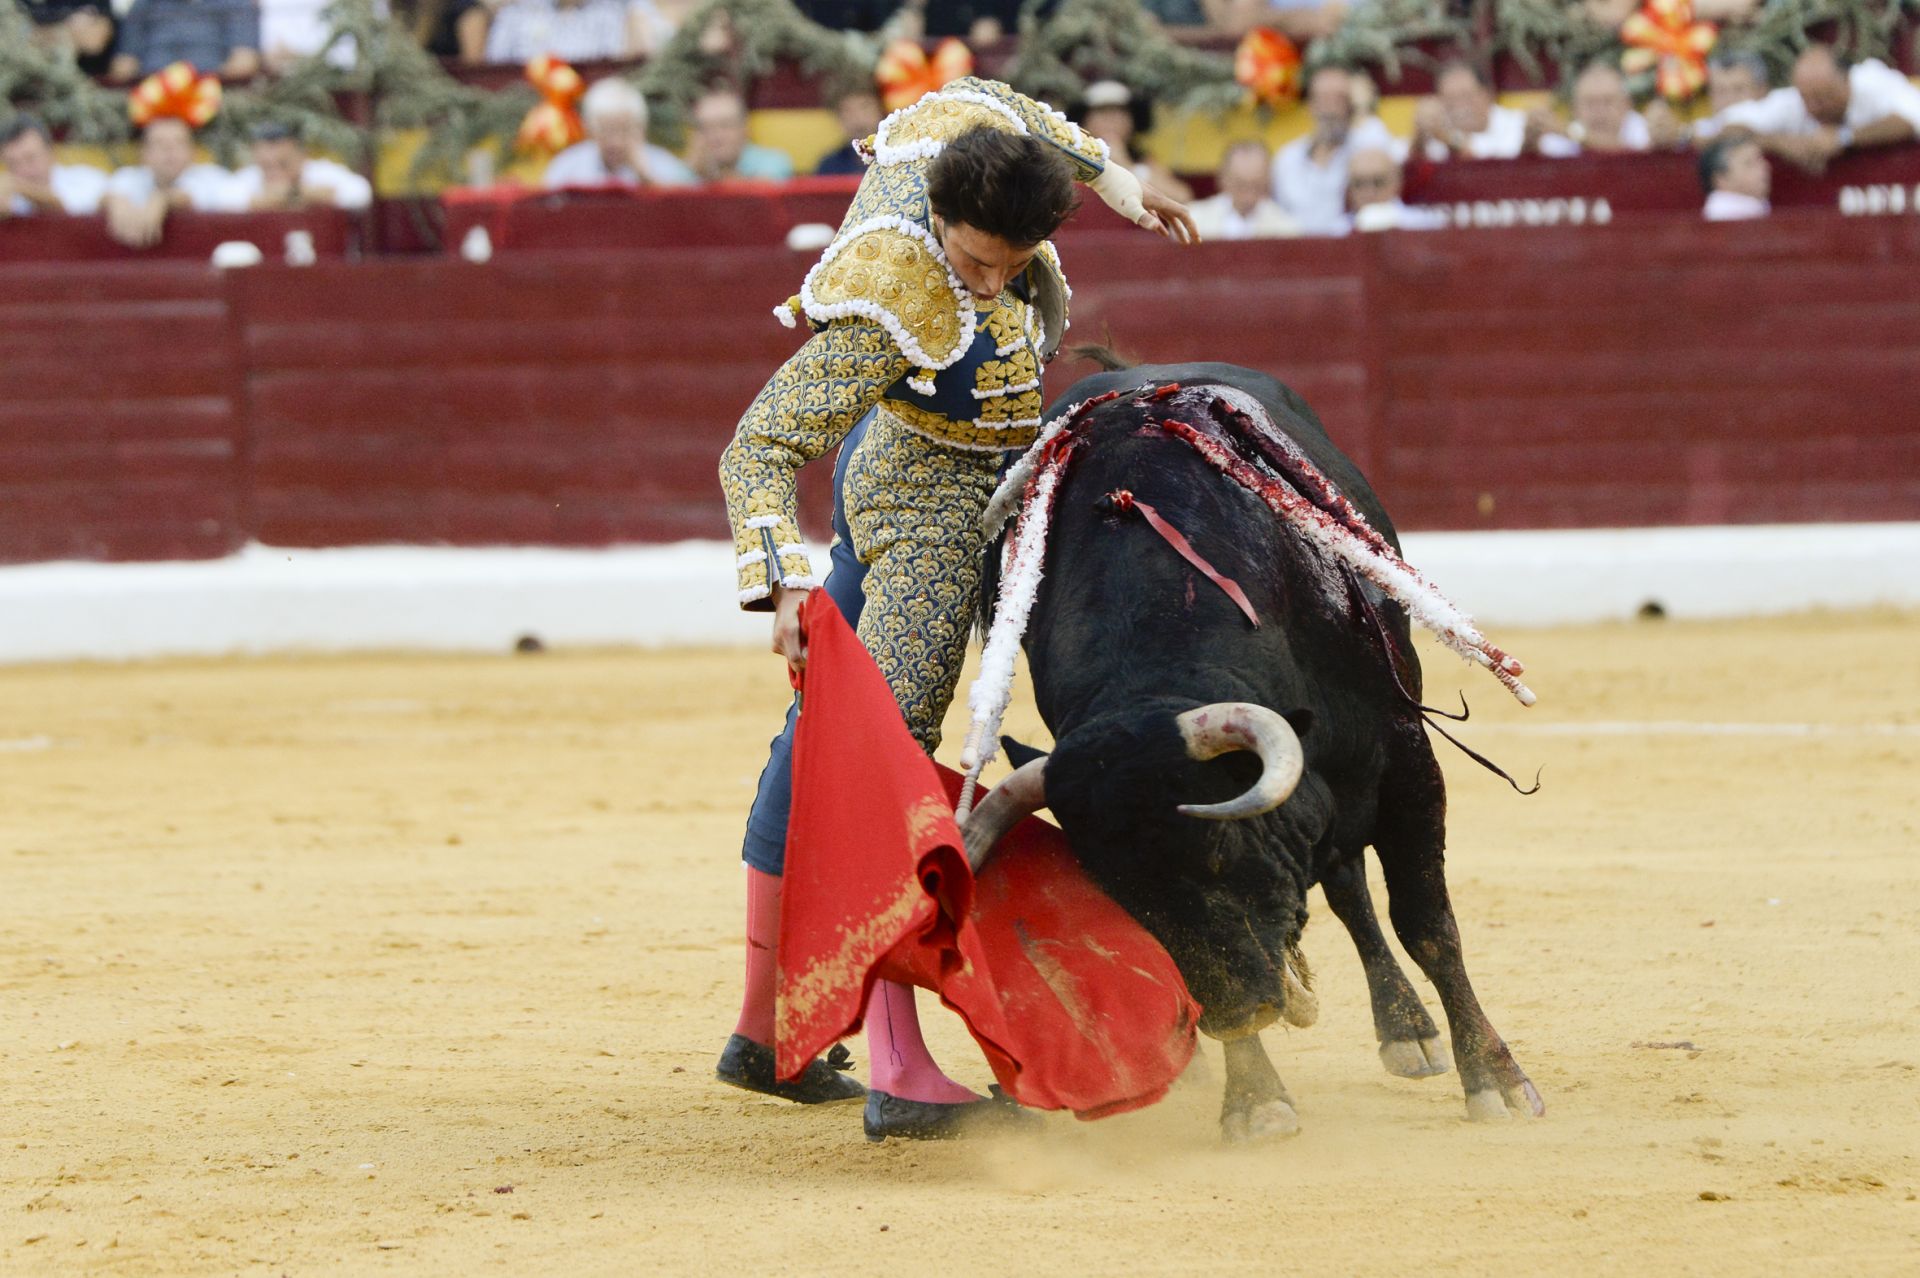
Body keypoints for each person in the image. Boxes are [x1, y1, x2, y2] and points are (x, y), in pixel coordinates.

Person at [715, 76, 1195, 1141]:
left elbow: (1000, 103)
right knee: (884, 759)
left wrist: (1118, 182)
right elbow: (757, 447)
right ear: (936, 215)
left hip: (991, 474)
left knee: (825, 734)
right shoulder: (896, 292)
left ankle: (763, 1029)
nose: (990, 283)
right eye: (975, 261)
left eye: (1013, 264)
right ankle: (899, 1070)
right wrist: (783, 582)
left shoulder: (960, 142)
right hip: (922, 502)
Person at [1716, 44, 1920, 174]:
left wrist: (1844, 138)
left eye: (1823, 98)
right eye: (1807, 99)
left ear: (1847, 83)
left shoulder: (1873, 81)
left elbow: (1914, 116)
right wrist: (1780, 142)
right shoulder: (1793, 101)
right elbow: (1724, 128)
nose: (1813, 107)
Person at [1271, 64, 1399, 235]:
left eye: (1339, 100)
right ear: (1310, 104)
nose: (1331, 110)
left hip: (1351, 245)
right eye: (1323, 99)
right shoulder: (1288, 158)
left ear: (1351, 105)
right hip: (1298, 247)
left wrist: (1362, 109)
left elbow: (1382, 158)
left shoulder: (1364, 145)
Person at [102, 116, 241, 248]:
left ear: (193, 151)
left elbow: (190, 196)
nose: (169, 150)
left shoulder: (213, 178)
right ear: (143, 153)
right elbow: (102, 195)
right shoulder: (128, 176)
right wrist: (114, 201)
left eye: (178, 143)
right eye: (159, 143)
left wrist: (162, 199)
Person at [542, 77, 697, 188]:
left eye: (625, 131)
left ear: (641, 129)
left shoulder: (665, 166)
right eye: (606, 131)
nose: (615, 142)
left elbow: (684, 212)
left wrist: (646, 178)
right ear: (590, 130)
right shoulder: (567, 168)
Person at [1077, 79, 1192, 204]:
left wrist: (1126, 166)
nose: (1112, 120)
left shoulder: (1141, 159)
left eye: (1120, 113)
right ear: (1084, 121)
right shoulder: (1072, 157)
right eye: (1102, 112)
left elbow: (1181, 197)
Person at [227, 122, 372, 210]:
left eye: (282, 164)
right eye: (267, 166)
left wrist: (296, 193)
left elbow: (360, 193)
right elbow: (226, 199)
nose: (274, 171)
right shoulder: (250, 176)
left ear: (301, 155)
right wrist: (268, 200)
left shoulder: (320, 171)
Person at [109, 0, 261, 81]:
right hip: (151, 97)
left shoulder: (235, 3)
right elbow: (124, 64)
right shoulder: (144, 4)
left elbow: (244, 62)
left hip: (212, 96)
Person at [1649, 49, 1770, 147]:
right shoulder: (1705, 127)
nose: (1729, 98)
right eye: (1720, 91)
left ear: (1762, 90)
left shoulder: (1777, 111)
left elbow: (1737, 134)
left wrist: (1684, 135)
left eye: (1739, 89)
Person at [1413, 59, 1526, 161]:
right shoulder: (1438, 128)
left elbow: (1493, 164)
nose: (1459, 106)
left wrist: (1449, 138)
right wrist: (1421, 136)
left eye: (1466, 96)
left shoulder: (1519, 126)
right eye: (1450, 99)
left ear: (1488, 94)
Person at [1533, 61, 1651, 156]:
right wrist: (1531, 142)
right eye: (1590, 103)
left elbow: (1630, 155)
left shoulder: (1644, 130)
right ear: (1574, 109)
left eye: (1608, 101)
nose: (1599, 111)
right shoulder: (1560, 136)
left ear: (1626, 105)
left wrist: (1570, 134)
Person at [1, 116, 109, 217]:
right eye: (13, 164)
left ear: (51, 152)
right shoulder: (9, 198)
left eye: (30, 159)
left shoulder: (87, 180)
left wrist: (20, 187)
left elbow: (72, 212)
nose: (24, 170)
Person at [687, 84, 794, 183]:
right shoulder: (688, 170)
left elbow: (761, 190)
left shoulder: (773, 161)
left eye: (725, 125)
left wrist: (711, 177)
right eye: (705, 128)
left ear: (745, 129)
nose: (715, 136)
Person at [1192, 140, 1298, 239]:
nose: (1248, 197)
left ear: (1268, 182)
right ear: (1223, 179)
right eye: (1240, 186)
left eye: (1256, 186)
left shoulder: (1286, 229)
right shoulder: (1194, 221)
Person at [1339, 146, 1446, 233]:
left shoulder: (1424, 226)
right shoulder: (1338, 232)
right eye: (1359, 183)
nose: (1369, 192)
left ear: (1396, 182)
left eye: (1378, 182)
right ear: (1349, 190)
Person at [482, 0, 630, 63]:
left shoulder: (610, 14)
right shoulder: (514, 14)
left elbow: (613, 70)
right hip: (521, 103)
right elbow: (494, 70)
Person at [812, 85, 883, 177]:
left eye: (865, 107)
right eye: (848, 110)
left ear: (881, 109)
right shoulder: (829, 166)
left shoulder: (898, 157)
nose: (858, 118)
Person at [1699, 132, 1770, 221]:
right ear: (1721, 179)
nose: (1765, 166)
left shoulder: (1757, 205)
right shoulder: (1723, 215)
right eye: (1749, 164)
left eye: (1760, 160)